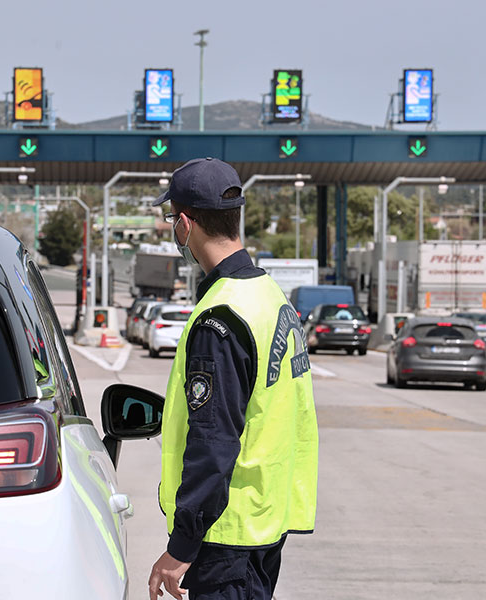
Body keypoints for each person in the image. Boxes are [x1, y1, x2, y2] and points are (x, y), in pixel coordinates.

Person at [147, 158, 318, 600]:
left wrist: (182, 545)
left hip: (227, 537)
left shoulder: (221, 316)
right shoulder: (270, 296)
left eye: (172, 220)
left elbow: (213, 441)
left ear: (184, 225)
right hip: (265, 524)